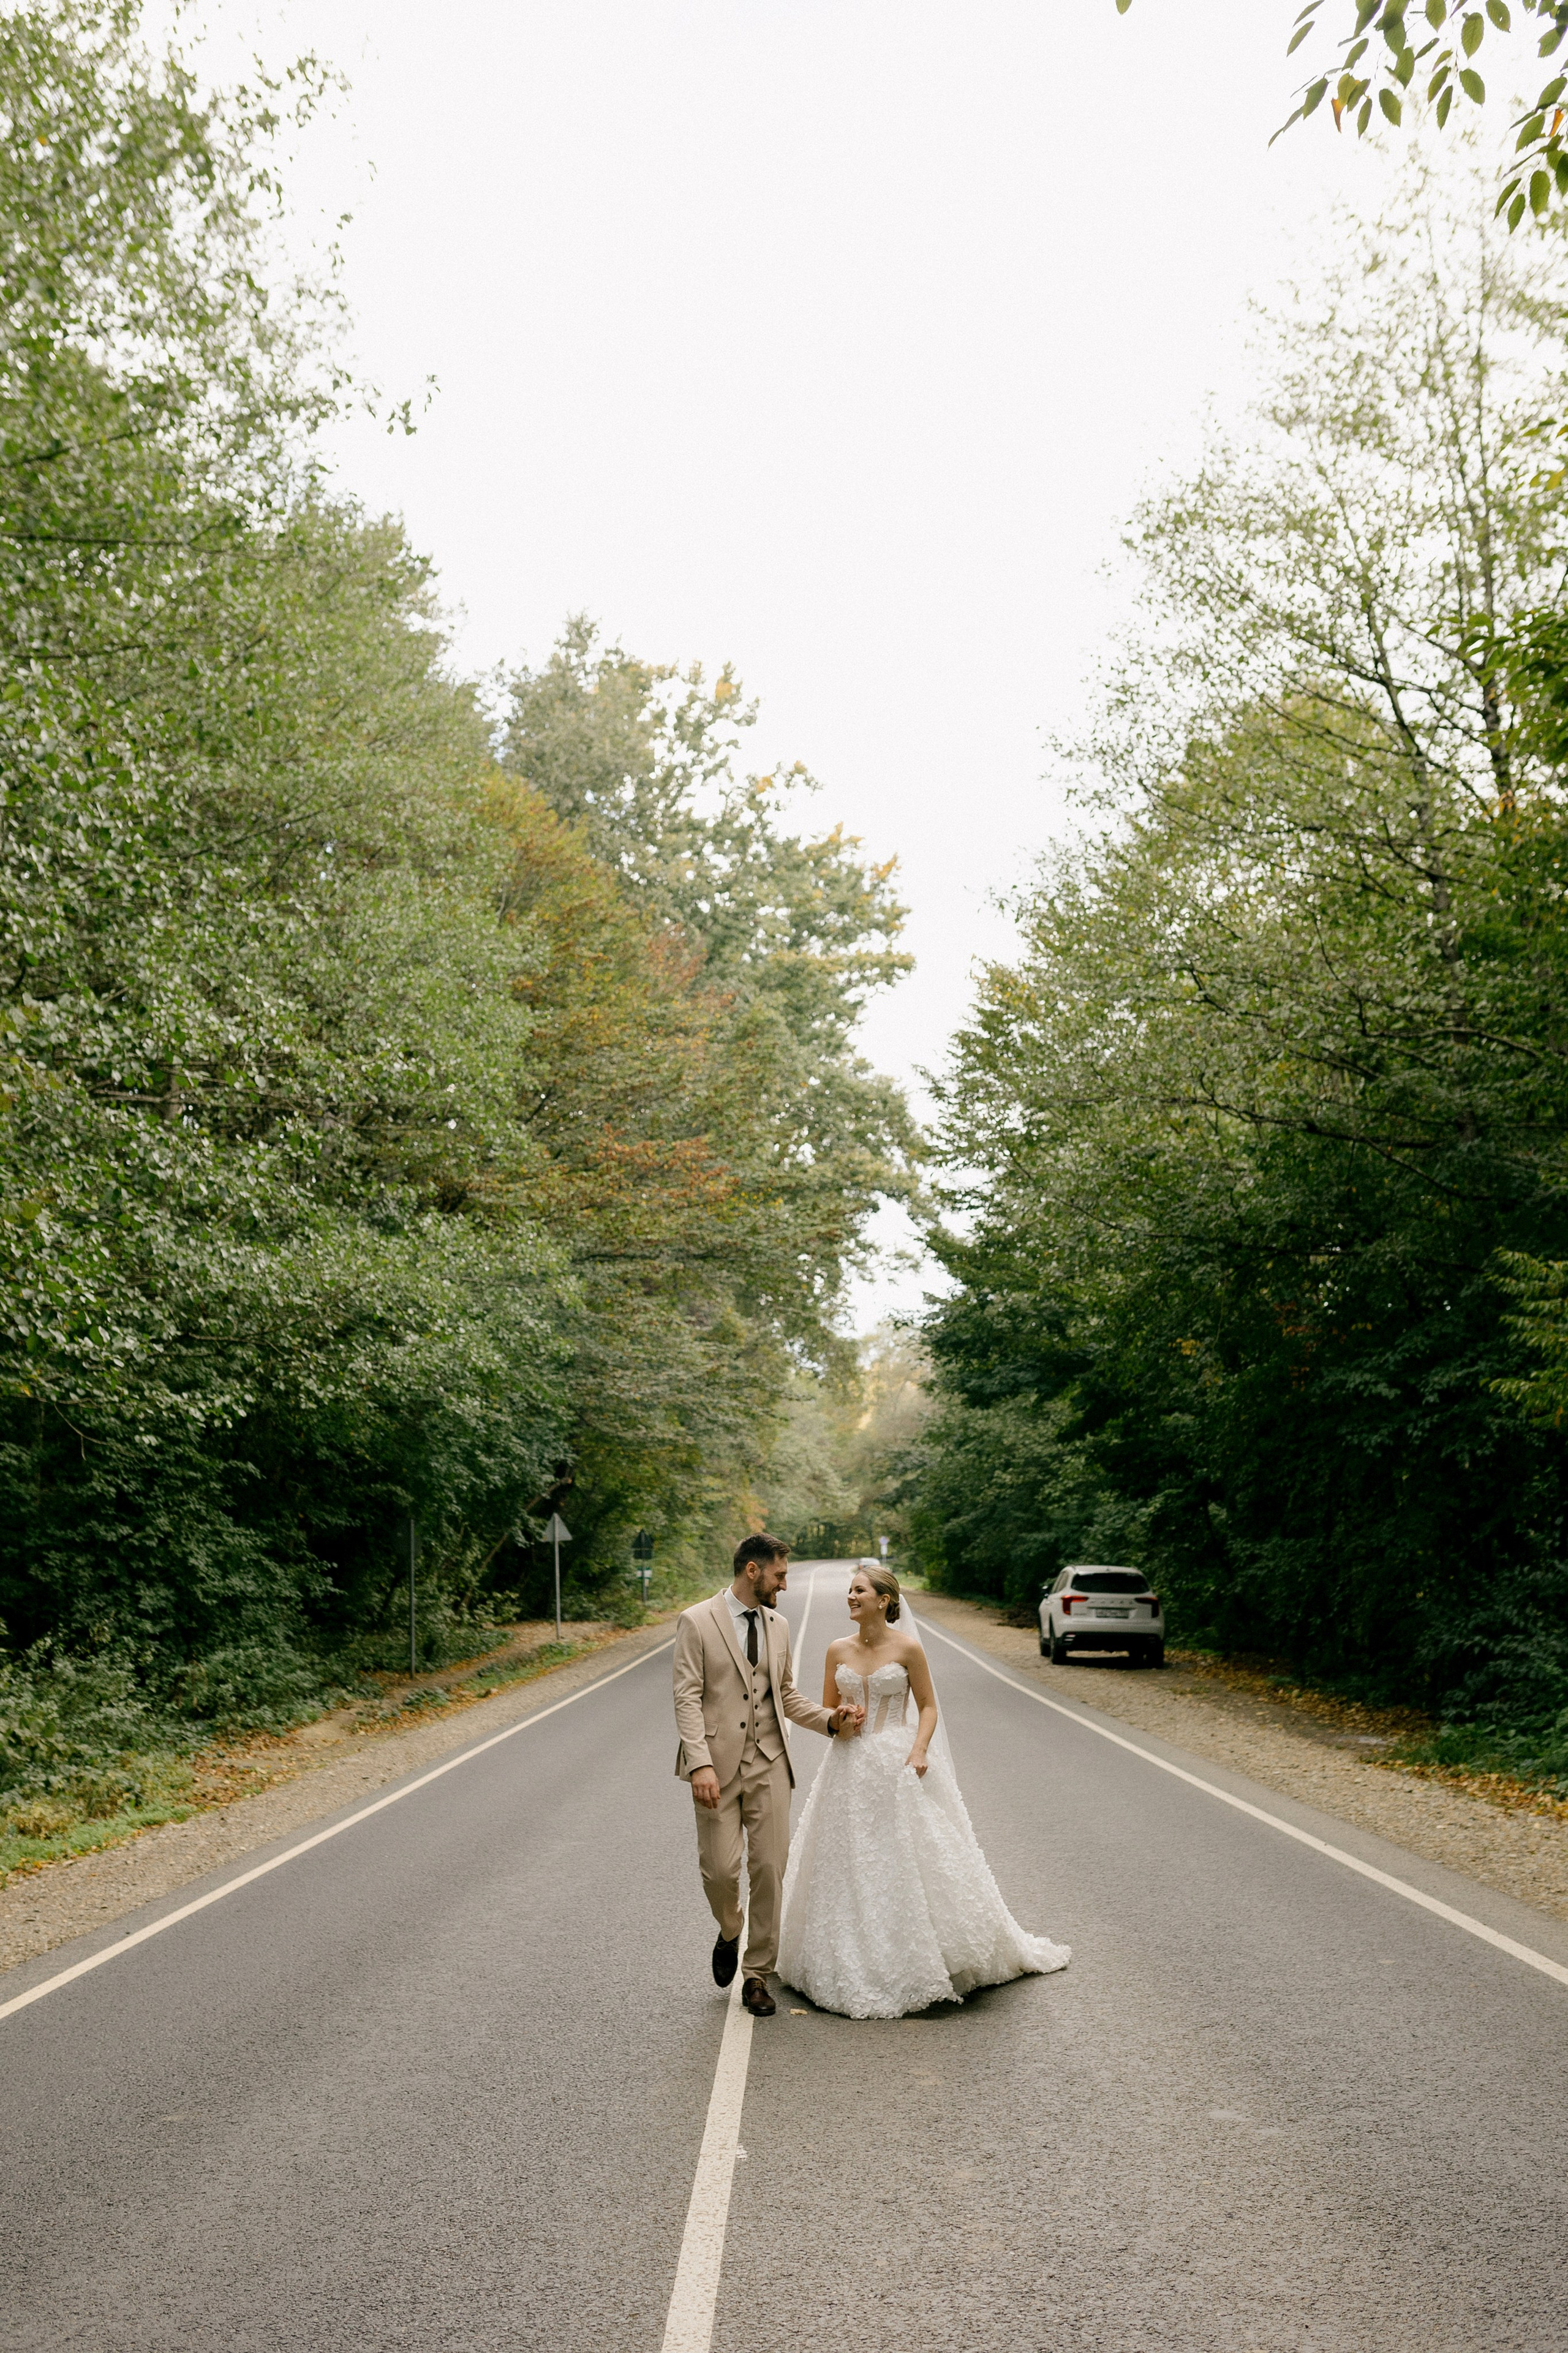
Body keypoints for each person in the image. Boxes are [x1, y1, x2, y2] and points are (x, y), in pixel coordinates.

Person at [776, 1562, 1071, 2019]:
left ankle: (926, 1952)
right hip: (849, 1765)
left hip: (898, 1761)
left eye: (859, 1590)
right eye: (850, 1590)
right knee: (848, 1858)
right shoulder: (837, 1649)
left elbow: (929, 1705)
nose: (850, 1597)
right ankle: (845, 1954)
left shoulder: (908, 1648)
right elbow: (828, 1711)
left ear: (884, 1600)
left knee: (905, 1855)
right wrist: (842, 1719)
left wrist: (919, 1749)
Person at [672, 1533, 864, 2017]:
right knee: (720, 1871)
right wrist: (700, 1762)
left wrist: (830, 1719)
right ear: (752, 1570)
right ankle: (730, 1927)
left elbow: (786, 1694)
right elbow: (687, 1696)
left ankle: (757, 1973)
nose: (785, 1584)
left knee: (769, 1869)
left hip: (770, 1761)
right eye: (780, 1575)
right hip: (715, 1766)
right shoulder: (696, 1620)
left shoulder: (779, 1625)